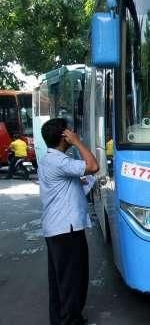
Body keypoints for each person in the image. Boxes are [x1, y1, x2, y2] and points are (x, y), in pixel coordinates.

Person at [38, 118, 99, 324]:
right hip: (66, 230)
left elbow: (74, 185)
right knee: (73, 281)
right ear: (64, 136)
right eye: (69, 131)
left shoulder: (49, 159)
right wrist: (78, 142)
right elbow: (93, 165)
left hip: (57, 229)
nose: (72, 132)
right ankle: (71, 321)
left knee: (60, 282)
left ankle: (60, 320)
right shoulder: (59, 161)